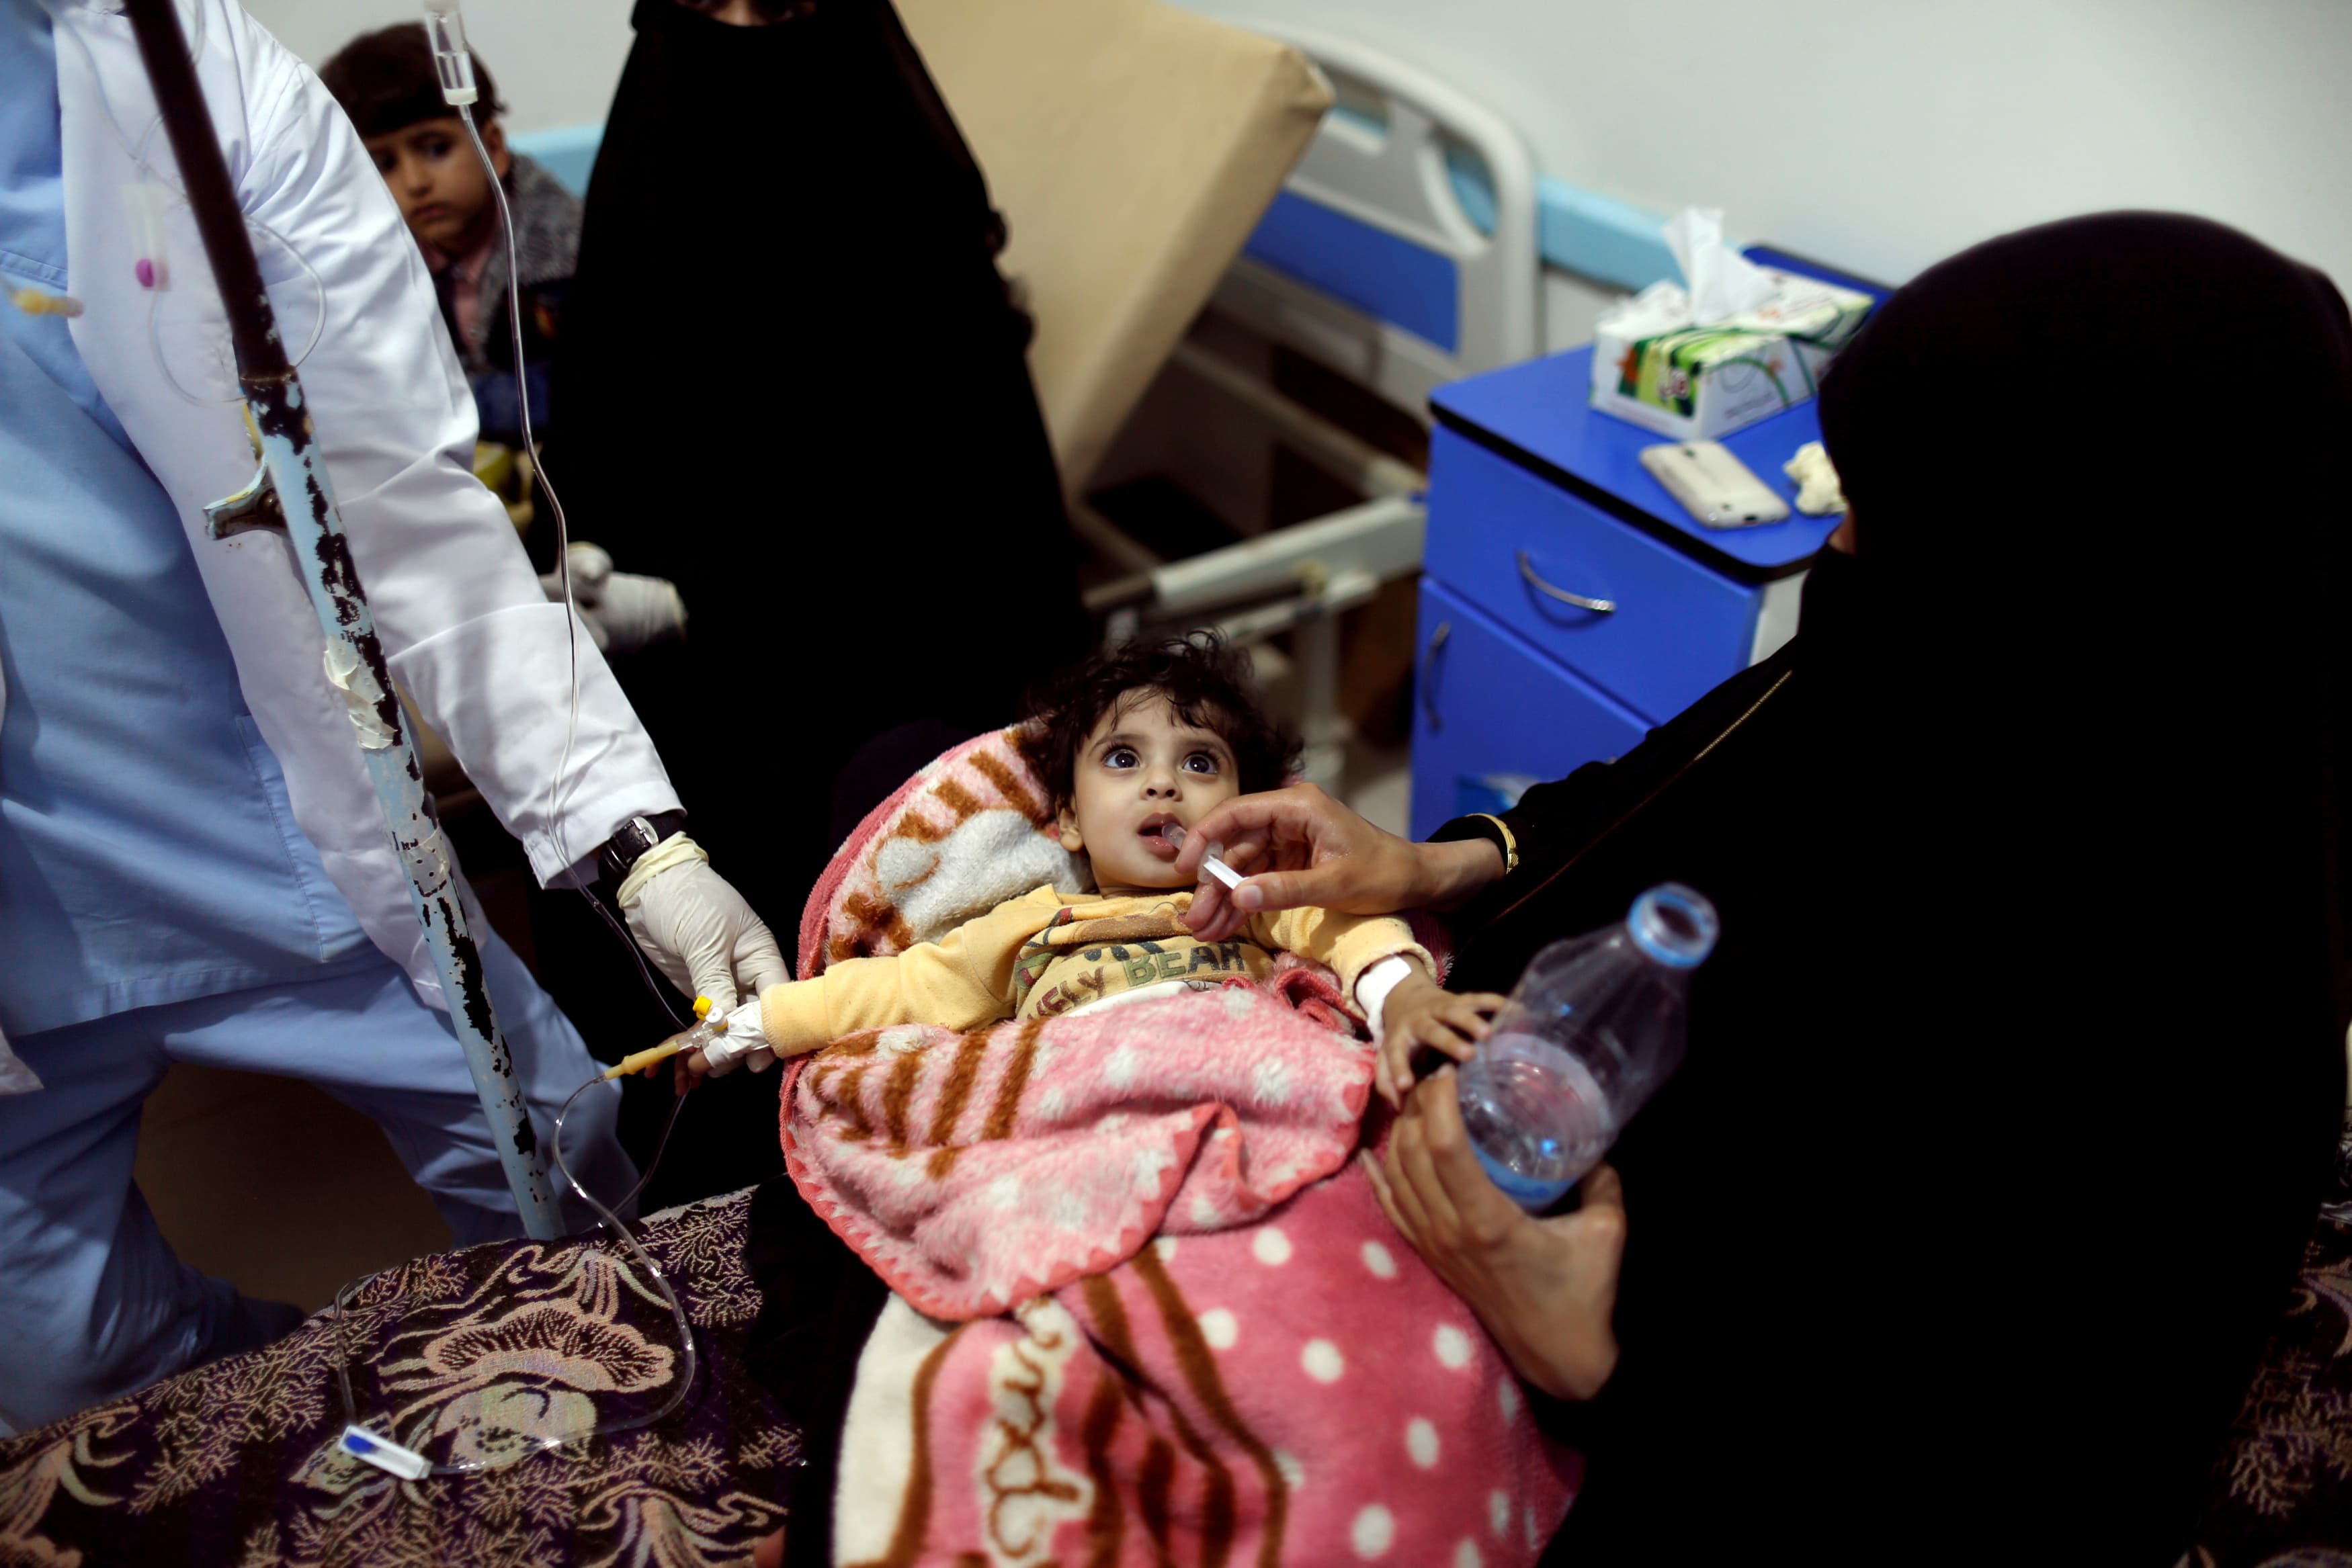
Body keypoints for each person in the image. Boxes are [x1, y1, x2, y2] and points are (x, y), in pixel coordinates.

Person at [1173, 214, 2352, 1559]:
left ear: (2064, 586)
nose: (1834, 541)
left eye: (1880, 512)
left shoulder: (2188, 1033)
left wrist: (1585, 1351)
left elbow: (1959, 1467)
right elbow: (1687, 782)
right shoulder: (1951, 674)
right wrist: (1435, 858)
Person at [0, 0, 784, 1434]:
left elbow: (409, 509)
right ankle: (338, 1442)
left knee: (572, 1197)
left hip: (270, 831)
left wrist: (638, 845)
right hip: (21, 909)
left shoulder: (204, 84)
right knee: (65, 1380)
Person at [542, 0, 1091, 1195]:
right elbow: (604, 394)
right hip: (691, 692)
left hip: (890, 664)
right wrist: (591, 557)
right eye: (713, 7)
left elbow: (954, 521)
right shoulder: (656, 151)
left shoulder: (896, 202)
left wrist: (705, 601)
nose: (745, 30)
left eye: (779, 5)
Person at [679, 636, 1475, 1079]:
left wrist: (1400, 1000)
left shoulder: (1260, 899)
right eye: (1124, 761)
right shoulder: (1031, 925)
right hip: (1077, 1111)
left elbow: (1350, 929)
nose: (1163, 783)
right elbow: (899, 988)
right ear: (1065, 820)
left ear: (1245, 814)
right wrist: (757, 1025)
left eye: (1199, 764)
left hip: (1246, 1081)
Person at [319, 24, 577, 445]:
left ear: (493, 149)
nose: (416, 182)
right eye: (384, 165)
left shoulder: (566, 253)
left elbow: (580, 393)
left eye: (435, 148)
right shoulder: (372, 261)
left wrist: (445, 401)